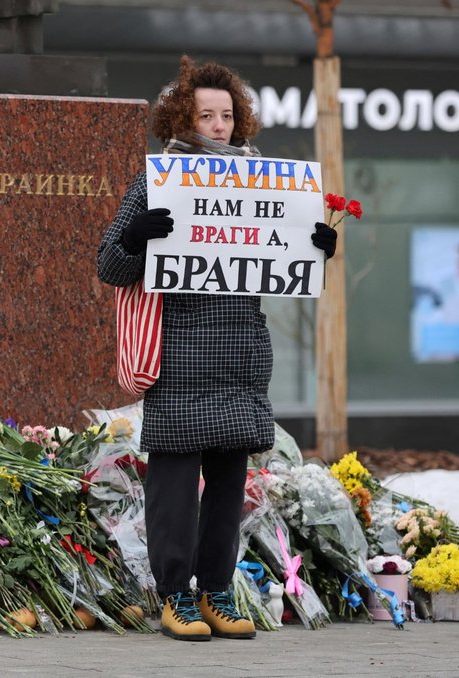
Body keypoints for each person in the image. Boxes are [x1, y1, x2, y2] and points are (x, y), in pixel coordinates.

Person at [96, 56, 337, 642]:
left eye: (227, 115)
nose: (219, 125)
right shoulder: (160, 179)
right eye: (206, 115)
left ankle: (217, 591)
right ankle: (176, 594)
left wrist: (316, 249)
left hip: (239, 356)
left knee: (229, 483)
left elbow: (281, 267)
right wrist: (134, 237)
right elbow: (110, 264)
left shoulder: (265, 182)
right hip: (180, 354)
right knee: (174, 487)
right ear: (184, 118)